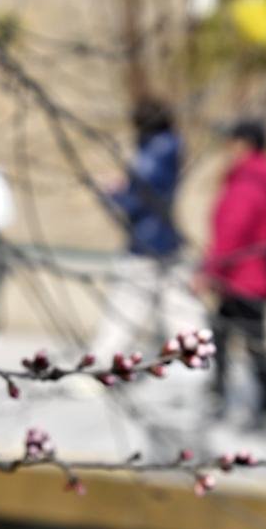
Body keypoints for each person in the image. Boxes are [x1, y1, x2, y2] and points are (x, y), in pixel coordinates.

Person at [92, 98, 199, 359]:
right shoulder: (170, 149)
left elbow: (138, 199)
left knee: (126, 306)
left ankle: (103, 364)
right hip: (165, 238)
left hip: (146, 241)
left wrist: (113, 193)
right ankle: (197, 360)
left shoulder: (153, 155)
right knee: (179, 306)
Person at [196, 119, 266, 430]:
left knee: (247, 343)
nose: (227, 149)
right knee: (228, 339)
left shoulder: (248, 183)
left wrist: (208, 271)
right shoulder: (260, 179)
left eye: (231, 142)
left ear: (245, 145)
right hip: (246, 279)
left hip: (242, 280)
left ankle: (265, 406)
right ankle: (227, 398)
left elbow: (232, 234)